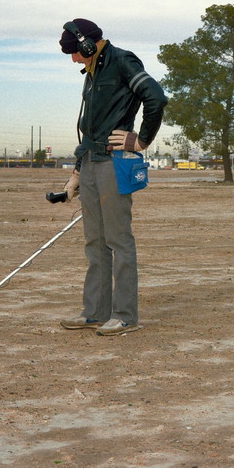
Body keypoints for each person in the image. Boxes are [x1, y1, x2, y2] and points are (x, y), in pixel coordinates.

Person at [57, 19, 168, 336]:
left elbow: (155, 97)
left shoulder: (123, 61)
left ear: (87, 45)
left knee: (118, 240)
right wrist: (77, 173)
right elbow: (90, 127)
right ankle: (94, 312)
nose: (73, 59)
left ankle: (125, 316)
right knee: (95, 242)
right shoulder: (91, 72)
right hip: (91, 160)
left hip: (114, 162)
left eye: (74, 53)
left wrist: (142, 139)